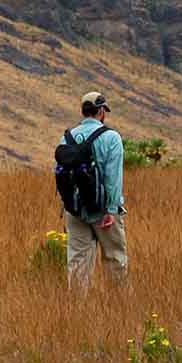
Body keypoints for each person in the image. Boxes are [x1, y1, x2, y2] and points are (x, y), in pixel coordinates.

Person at [59, 91, 128, 290]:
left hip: (75, 209)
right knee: (115, 259)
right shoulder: (111, 137)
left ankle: (78, 310)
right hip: (103, 211)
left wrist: (69, 206)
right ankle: (118, 305)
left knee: (78, 262)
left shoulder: (67, 138)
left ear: (82, 111)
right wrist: (111, 210)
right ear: (101, 111)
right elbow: (113, 178)